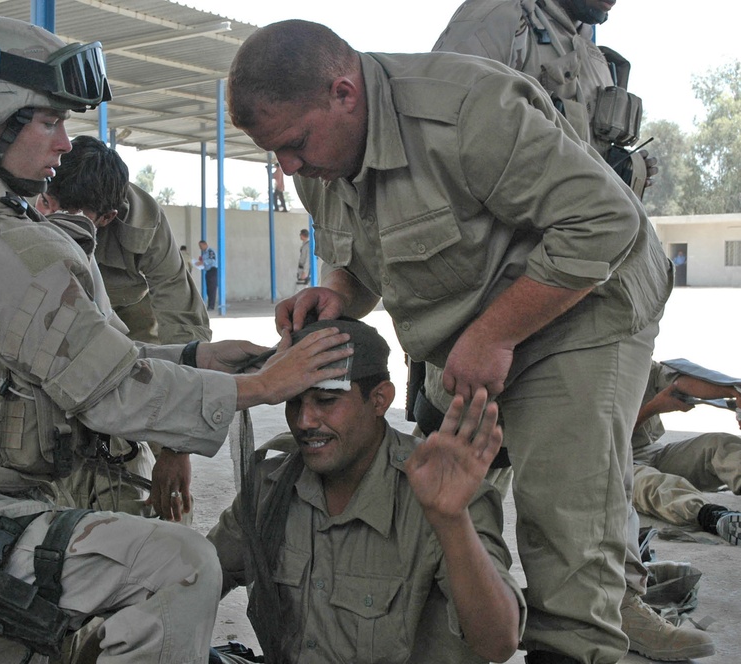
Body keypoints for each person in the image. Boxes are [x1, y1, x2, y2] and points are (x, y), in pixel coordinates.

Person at [0, 16, 355, 664]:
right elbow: (110, 393)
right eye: (48, 122)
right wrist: (263, 386)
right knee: (178, 566)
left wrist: (195, 358)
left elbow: (54, 363)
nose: (65, 144)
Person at [227, 19, 676, 664]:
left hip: (587, 307)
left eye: (295, 143)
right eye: (277, 152)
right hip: (474, 324)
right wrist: (338, 293)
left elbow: (604, 223)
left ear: (344, 93)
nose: (289, 166)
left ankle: (578, 642)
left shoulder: (465, 109)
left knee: (564, 531)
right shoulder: (315, 161)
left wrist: (494, 334)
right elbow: (367, 262)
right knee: (441, 486)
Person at [422, 2, 713, 660]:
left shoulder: (583, 36)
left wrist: (620, 172)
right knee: (483, 479)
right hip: (510, 298)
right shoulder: (501, 17)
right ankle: (496, 623)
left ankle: (613, 606)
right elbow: (442, 150)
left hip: (586, 292)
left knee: (596, 476)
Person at [208, 318, 524, 663]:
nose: (304, 421)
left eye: (326, 400)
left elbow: (498, 642)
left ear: (379, 400)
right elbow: (200, 576)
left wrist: (451, 522)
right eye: (293, 402)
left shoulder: (442, 492)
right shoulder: (272, 485)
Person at [37, 135, 210, 522]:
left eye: (78, 219)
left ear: (109, 217)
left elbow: (184, 326)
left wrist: (176, 448)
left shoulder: (145, 223)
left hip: (130, 329)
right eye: (52, 209)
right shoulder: (31, 191)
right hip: (51, 322)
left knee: (150, 495)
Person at [433, 0, 657, 199]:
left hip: (567, 232)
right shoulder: (499, 15)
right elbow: (441, 129)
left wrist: (624, 171)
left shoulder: (595, 58)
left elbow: (585, 153)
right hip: (501, 236)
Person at [632, 359, 741, 545]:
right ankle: (716, 517)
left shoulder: (635, 357)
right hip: (605, 462)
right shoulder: (581, 374)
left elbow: (680, 383)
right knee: (652, 484)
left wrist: (733, 392)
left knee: (719, 445)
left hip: (647, 452)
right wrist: (654, 407)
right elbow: (603, 441)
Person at [198, 239, 219, 311]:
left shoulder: (210, 251)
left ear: (205, 244)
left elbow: (212, 260)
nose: (200, 248)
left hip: (212, 270)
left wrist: (203, 262)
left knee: (212, 289)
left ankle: (211, 306)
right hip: (208, 271)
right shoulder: (205, 253)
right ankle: (210, 305)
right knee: (209, 289)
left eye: (200, 246)